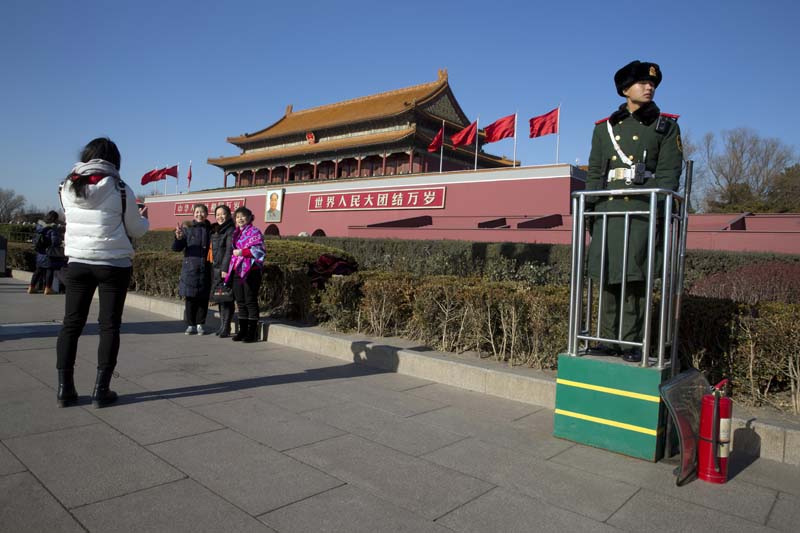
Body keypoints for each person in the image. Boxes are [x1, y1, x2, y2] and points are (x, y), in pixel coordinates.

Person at [585, 60, 683, 363]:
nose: (649, 87)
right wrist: (590, 210)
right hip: (609, 209)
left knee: (636, 278)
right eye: (641, 83)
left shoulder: (665, 126)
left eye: (652, 83)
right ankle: (606, 337)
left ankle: (631, 342)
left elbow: (669, 172)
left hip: (642, 209)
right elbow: (594, 174)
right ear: (625, 89)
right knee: (608, 275)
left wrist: (660, 210)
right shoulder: (605, 128)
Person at [56, 137, 149, 408]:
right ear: (114, 161)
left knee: (71, 324)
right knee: (109, 325)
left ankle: (65, 389)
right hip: (113, 264)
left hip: (78, 262)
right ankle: (101, 389)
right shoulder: (120, 188)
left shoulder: (66, 186)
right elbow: (136, 229)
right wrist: (145, 217)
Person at [226, 206, 265, 343]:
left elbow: (259, 251)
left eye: (243, 216)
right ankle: (242, 331)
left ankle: (252, 332)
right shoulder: (236, 233)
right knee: (240, 302)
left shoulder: (255, 232)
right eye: (237, 217)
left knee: (250, 301)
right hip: (237, 270)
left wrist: (242, 252)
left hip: (251, 271)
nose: (240, 219)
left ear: (249, 218)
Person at [173, 204, 213, 335]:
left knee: (203, 298)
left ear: (207, 214)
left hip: (206, 268)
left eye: (202, 212)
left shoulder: (211, 230)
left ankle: (201, 324)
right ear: (193, 214)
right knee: (190, 298)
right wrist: (178, 237)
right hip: (190, 269)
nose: (199, 214)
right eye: (197, 212)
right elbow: (177, 248)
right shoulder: (187, 229)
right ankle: (191, 325)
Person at [209, 204, 235, 337]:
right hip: (216, 268)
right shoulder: (217, 230)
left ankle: (226, 327)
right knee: (220, 297)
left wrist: (225, 269)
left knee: (227, 298)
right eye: (217, 214)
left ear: (229, 215)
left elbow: (229, 251)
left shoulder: (230, 230)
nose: (220, 216)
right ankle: (222, 326)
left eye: (222, 214)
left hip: (225, 269)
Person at [29, 210, 66, 295]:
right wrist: (60, 240)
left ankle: (31, 287)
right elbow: (55, 241)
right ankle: (48, 288)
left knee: (38, 270)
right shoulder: (52, 228)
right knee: (50, 270)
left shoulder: (39, 226)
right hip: (48, 252)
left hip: (40, 252)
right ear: (54, 218)